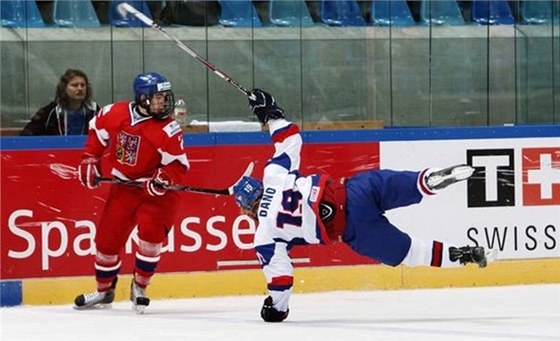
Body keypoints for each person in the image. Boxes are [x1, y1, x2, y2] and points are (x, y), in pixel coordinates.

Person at [232, 89, 491, 323]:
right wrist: (272, 113)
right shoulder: (273, 175)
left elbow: (281, 278)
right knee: (406, 185)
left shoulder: (264, 235)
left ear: (245, 210)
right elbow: (290, 141)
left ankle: (462, 255)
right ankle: (430, 180)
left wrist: (276, 309)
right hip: (356, 191)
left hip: (354, 229)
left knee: (409, 252)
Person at [73, 72, 189, 314]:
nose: (163, 103)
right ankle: (104, 291)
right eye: (158, 98)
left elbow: (178, 165)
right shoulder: (114, 113)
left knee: (150, 239)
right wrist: (90, 158)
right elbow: (97, 132)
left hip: (157, 195)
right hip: (123, 188)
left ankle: (140, 287)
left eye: (165, 97)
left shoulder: (168, 129)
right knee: (106, 241)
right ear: (142, 98)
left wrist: (163, 179)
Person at [20, 69, 100, 136]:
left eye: (83, 85)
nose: (80, 88)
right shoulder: (50, 111)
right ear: (64, 88)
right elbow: (26, 135)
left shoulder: (94, 110)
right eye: (75, 85)